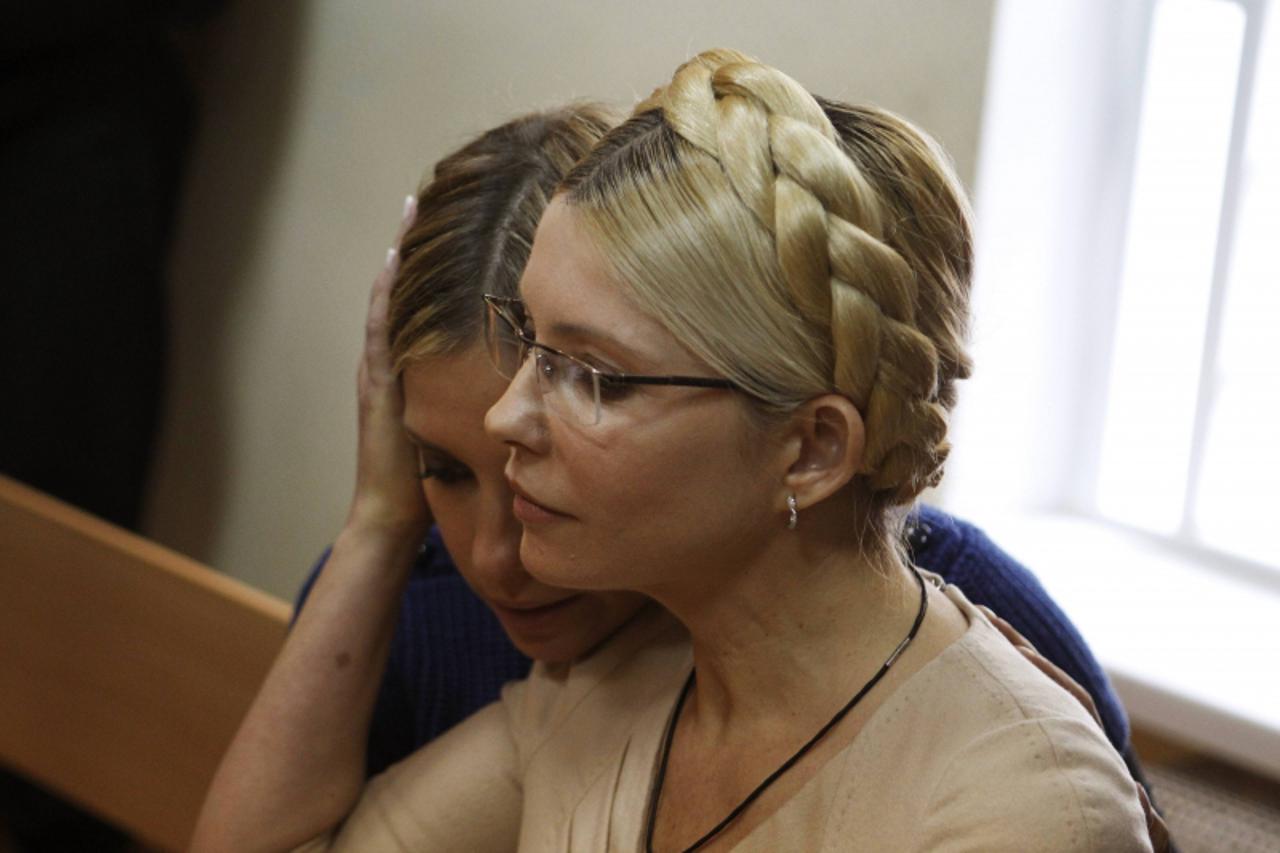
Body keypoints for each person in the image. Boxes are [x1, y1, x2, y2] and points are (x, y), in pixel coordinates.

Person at [195, 64, 1163, 850]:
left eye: (594, 375)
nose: (506, 421)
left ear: (812, 448)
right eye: (529, 343)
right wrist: (377, 521)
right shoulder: (603, 697)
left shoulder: (1017, 801)